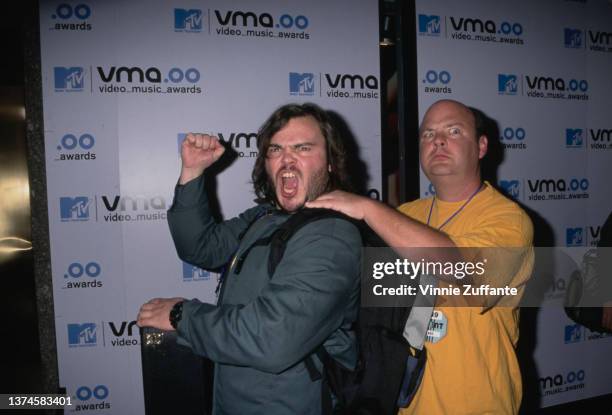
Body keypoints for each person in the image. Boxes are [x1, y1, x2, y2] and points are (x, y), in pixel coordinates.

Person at [307, 99, 534, 414]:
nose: (437, 140)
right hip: (403, 401)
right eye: (428, 134)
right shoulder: (406, 215)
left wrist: (368, 208)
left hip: (475, 403)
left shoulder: (508, 219)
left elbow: (472, 274)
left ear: (481, 146)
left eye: (453, 131)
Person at [137, 103, 362, 414]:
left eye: (303, 148)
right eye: (276, 149)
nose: (287, 159)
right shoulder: (266, 217)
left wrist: (182, 317)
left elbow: (272, 338)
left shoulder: (331, 236)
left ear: (331, 163)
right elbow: (201, 248)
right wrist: (192, 173)